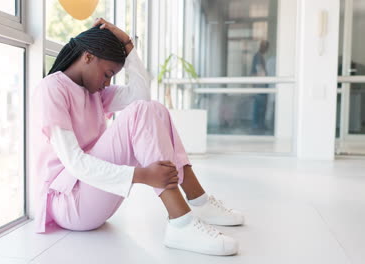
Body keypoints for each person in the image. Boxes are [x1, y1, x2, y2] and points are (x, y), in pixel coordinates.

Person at [30, 18, 244, 256]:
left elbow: (141, 95)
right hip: (69, 203)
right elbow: (74, 163)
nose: (107, 83)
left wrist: (129, 46)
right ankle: (181, 222)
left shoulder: (93, 94)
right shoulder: (51, 89)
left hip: (93, 194)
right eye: (107, 74)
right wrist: (142, 175)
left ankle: (198, 200)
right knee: (142, 111)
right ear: (88, 57)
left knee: (154, 110)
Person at [251, 40, 269, 133]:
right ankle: (257, 125)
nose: (266, 49)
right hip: (260, 85)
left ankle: (259, 124)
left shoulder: (260, 57)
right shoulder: (258, 57)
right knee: (259, 106)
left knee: (261, 106)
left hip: (261, 85)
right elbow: (259, 71)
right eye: (265, 47)